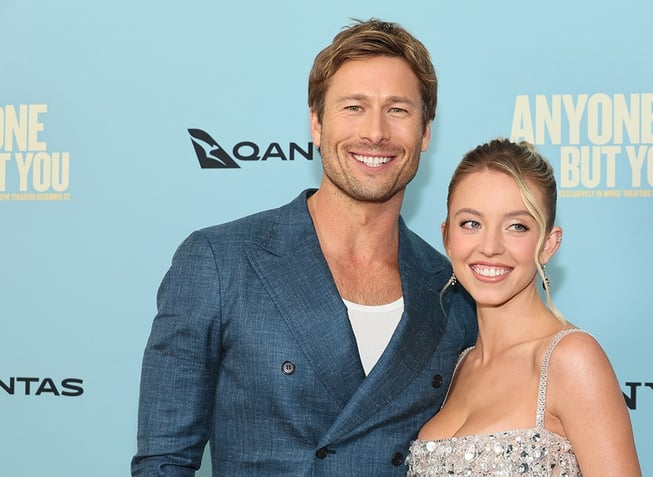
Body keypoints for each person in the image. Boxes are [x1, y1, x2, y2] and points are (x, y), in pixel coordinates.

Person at [131, 19, 476, 476]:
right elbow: (164, 462)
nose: (375, 132)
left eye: (398, 110)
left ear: (425, 132)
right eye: (354, 107)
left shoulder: (452, 290)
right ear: (316, 123)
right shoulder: (219, 262)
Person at [407, 138, 641, 476]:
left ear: (548, 244)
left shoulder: (571, 359)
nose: (489, 247)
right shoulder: (458, 364)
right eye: (471, 223)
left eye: (517, 226)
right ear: (447, 237)